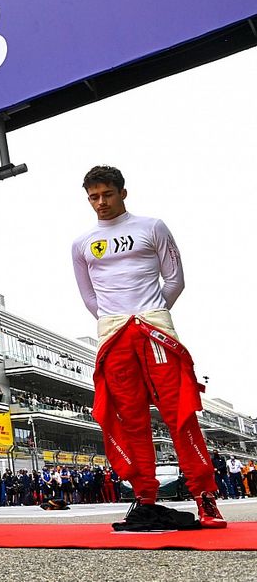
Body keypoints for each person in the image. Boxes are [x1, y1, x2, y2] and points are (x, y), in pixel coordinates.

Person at [72, 165, 225, 530]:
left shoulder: (152, 227)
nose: (100, 202)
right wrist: (119, 318)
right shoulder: (81, 243)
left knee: (180, 411)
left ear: (123, 192)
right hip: (113, 333)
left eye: (107, 194)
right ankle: (145, 497)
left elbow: (175, 279)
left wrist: (150, 313)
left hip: (155, 327)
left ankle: (205, 496)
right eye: (93, 197)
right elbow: (88, 296)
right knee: (129, 419)